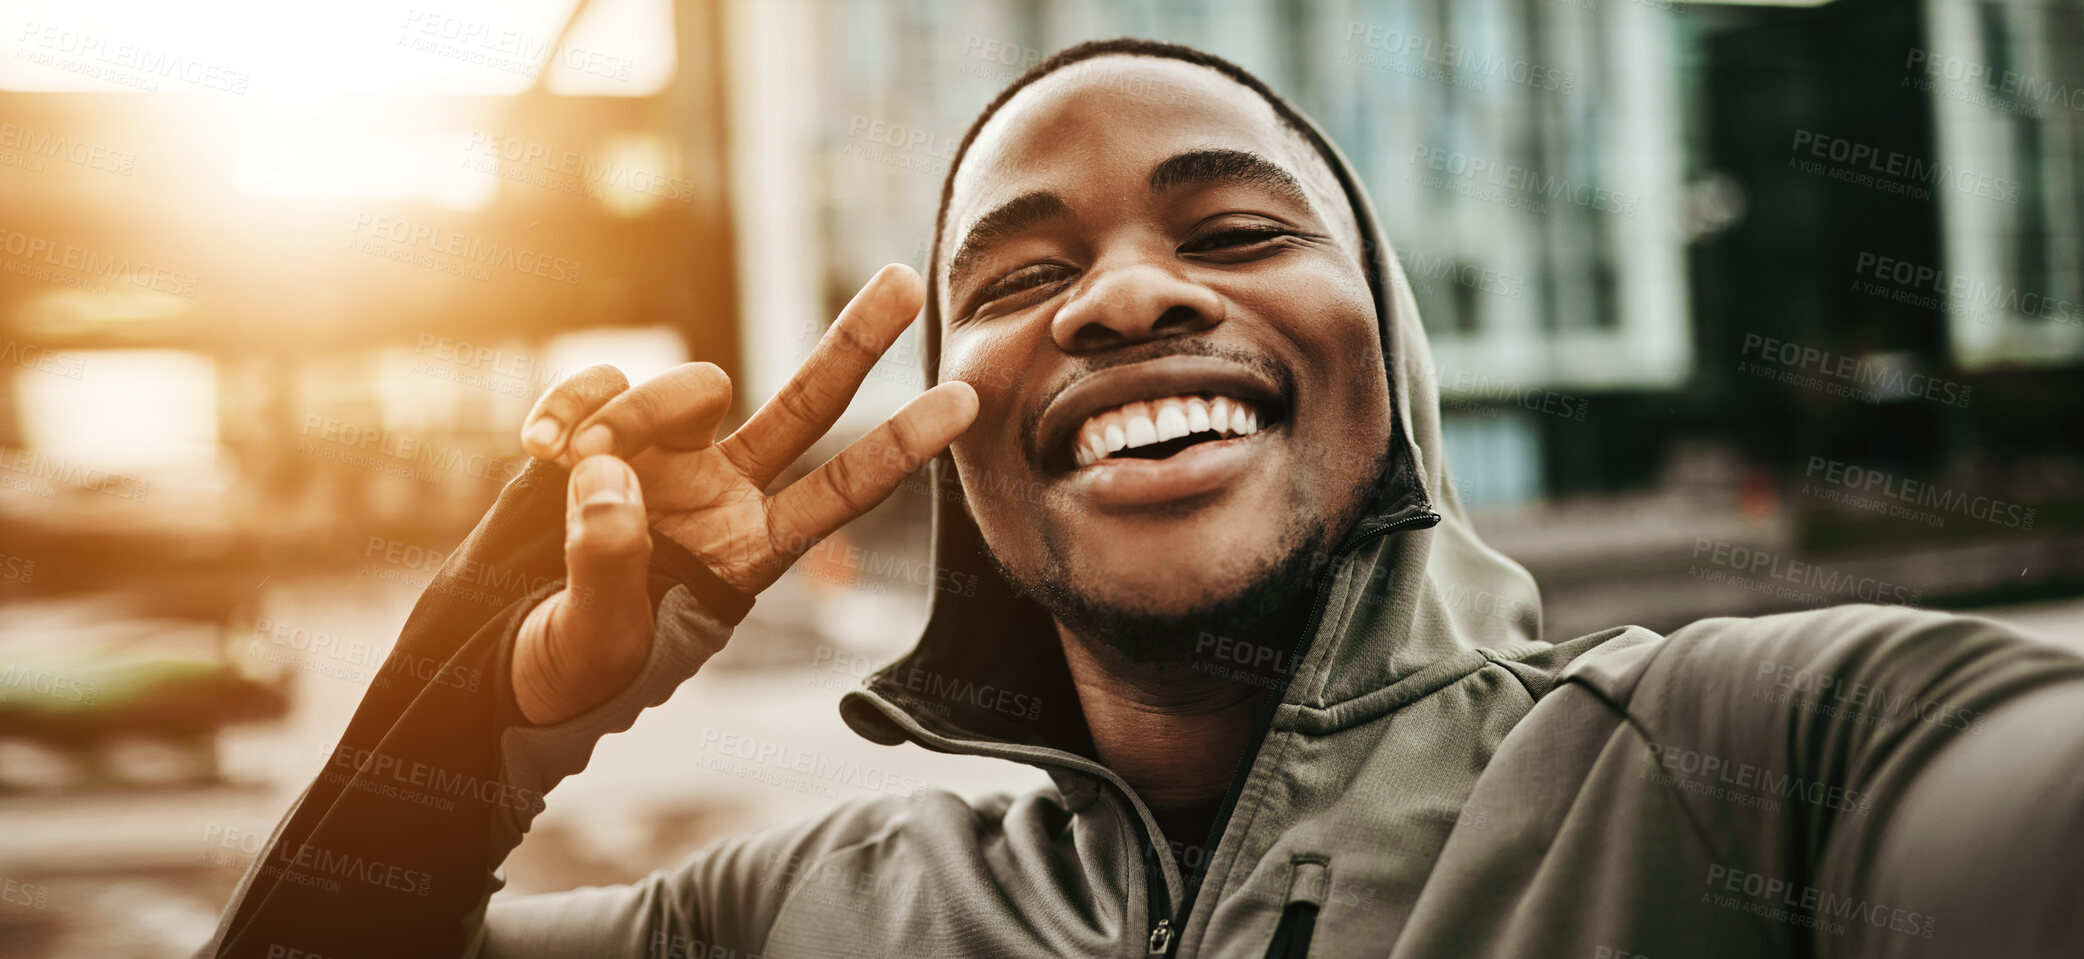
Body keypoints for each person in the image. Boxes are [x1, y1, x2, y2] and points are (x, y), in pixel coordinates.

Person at [201, 39, 2084, 959]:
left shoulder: (1771, 761)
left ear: (1393, 362)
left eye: (1238, 228)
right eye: (1016, 282)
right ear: (961, 458)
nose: (1118, 295)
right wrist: (504, 704)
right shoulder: (816, 916)